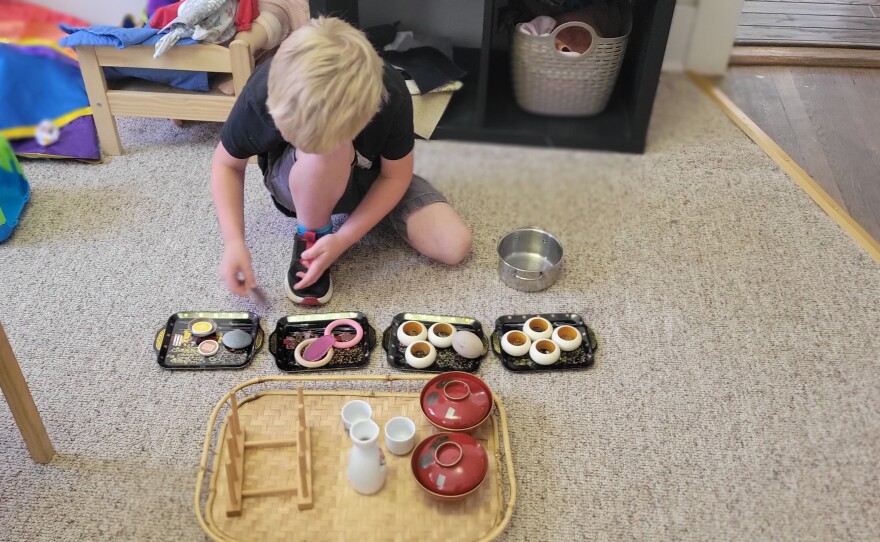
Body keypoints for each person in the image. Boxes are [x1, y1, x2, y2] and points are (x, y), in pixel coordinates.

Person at [211, 17, 472, 305]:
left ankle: (351, 207)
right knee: (324, 158)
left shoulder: (392, 94)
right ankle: (311, 235)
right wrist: (234, 242)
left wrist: (344, 239)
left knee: (454, 245)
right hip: (299, 179)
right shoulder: (265, 88)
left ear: (370, 113)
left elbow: (395, 176)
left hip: (370, 172)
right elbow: (227, 165)